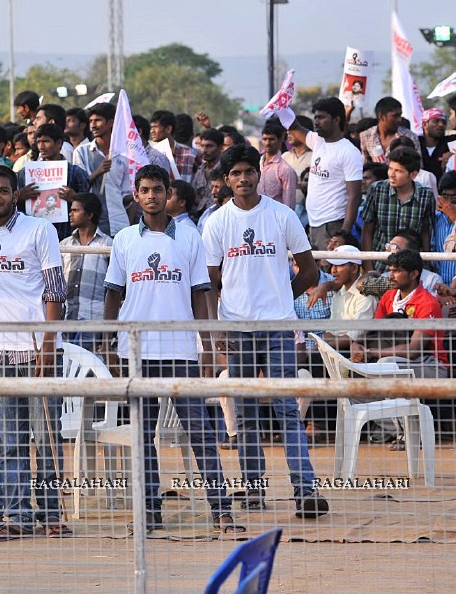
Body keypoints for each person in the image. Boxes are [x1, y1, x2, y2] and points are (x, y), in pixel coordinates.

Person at [103, 164, 243, 534]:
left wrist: (208, 346)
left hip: (181, 350)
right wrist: (108, 343)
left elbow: (202, 293)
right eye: (145, 190)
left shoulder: (189, 237)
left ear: (169, 194)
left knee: (200, 432)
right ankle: (149, 512)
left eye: (158, 190)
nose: (151, 196)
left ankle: (221, 509)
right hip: (136, 351)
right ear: (136, 194)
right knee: (142, 435)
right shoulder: (124, 240)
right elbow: (113, 293)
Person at [202, 143, 329, 519]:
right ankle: (254, 490)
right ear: (227, 180)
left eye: (248, 171)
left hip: (277, 327)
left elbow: (308, 271)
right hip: (237, 328)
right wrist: (216, 329)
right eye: (235, 173)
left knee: (286, 407)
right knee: (244, 413)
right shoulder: (217, 222)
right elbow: (210, 281)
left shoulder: (282, 215)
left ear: (259, 174)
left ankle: (305, 491)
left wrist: (279, 299)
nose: (243, 178)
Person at [0, 164, 69, 541]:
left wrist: (48, 345)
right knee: (10, 441)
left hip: (38, 350)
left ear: (16, 194)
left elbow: (55, 290)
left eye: (2, 191)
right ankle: (16, 515)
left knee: (46, 437)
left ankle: (50, 514)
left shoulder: (40, 229)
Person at [350, 249, 447, 376]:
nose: (390, 275)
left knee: (386, 363)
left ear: (413, 274)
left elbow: (413, 350)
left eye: (397, 271)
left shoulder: (427, 303)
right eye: (391, 270)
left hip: (432, 364)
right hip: (395, 358)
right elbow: (373, 334)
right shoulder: (388, 296)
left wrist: (370, 352)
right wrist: (357, 348)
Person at [304, 98, 363, 251]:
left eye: (321, 117)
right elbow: (292, 126)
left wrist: (343, 233)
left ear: (336, 119)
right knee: (319, 274)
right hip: (314, 224)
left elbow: (355, 196)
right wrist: (282, 106)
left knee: (332, 272)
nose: (316, 122)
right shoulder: (318, 142)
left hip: (333, 225)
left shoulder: (348, 152)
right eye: (315, 117)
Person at [360, 147, 434, 269]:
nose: (392, 175)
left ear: (413, 175)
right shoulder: (377, 190)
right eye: (390, 169)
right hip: (380, 263)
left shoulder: (426, 195)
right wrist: (368, 266)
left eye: (399, 171)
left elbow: (425, 232)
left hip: (410, 266)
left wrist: (426, 263)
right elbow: (367, 230)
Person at [16, 124, 90, 239]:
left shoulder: (76, 173)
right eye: (38, 142)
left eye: (46, 141)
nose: (41, 146)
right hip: (34, 237)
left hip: (67, 237)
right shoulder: (25, 174)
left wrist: (75, 198)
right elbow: (11, 207)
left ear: (59, 143)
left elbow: (90, 206)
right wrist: (20, 197)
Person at [60, 193, 112, 352]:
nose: (70, 213)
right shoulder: (64, 245)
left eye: (76, 210)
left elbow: (114, 287)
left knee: (86, 366)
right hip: (66, 318)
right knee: (67, 367)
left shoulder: (107, 245)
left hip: (92, 318)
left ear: (90, 214)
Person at [72, 102, 132, 235]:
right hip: (92, 224)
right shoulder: (81, 152)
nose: (93, 125)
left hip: (119, 223)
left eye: (98, 120)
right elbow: (80, 188)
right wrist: (98, 172)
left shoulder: (124, 154)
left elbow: (127, 194)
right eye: (91, 121)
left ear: (111, 123)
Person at [360, 96, 418, 163]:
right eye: (395, 116)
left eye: (400, 115)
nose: (399, 119)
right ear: (381, 117)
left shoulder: (410, 137)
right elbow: (365, 164)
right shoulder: (366, 136)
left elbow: (417, 166)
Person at [256, 121, 297, 209]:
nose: (267, 143)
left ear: (280, 140)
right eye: (265, 139)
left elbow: (289, 204)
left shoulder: (285, 169)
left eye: (271, 139)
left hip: (276, 217)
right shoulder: (256, 164)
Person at [150, 110, 200, 181]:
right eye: (151, 127)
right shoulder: (150, 155)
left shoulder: (190, 155)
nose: (152, 131)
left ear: (168, 129)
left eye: (155, 127)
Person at [191, 129, 223, 216]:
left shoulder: (225, 170)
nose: (204, 150)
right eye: (202, 146)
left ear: (220, 147)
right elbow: (193, 195)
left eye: (209, 146)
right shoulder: (200, 170)